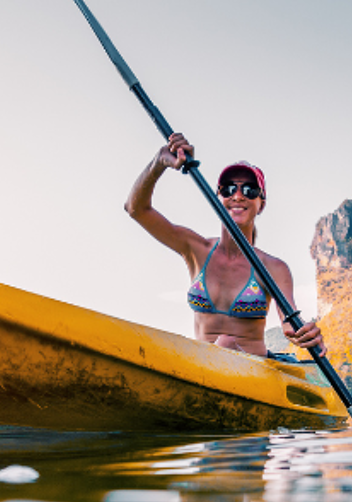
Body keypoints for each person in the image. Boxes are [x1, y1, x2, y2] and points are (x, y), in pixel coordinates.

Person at [124, 133, 327, 362]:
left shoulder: (274, 268)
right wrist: (158, 163)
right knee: (216, 345)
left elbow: (290, 323)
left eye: (249, 190)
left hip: (254, 372)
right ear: (219, 196)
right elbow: (136, 209)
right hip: (203, 368)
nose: (238, 196)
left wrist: (305, 333)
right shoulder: (195, 249)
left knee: (227, 342)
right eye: (229, 189)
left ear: (261, 204)